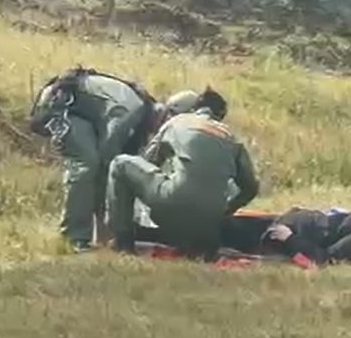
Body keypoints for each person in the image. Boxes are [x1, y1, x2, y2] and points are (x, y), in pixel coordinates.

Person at [29, 66, 200, 253]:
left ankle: (100, 238)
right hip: (59, 105)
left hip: (82, 112)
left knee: (99, 168)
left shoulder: (140, 118)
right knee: (87, 165)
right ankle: (74, 238)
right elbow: (109, 159)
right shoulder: (131, 112)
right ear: (169, 115)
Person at [106, 88, 260, 260]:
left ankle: (123, 244)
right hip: (210, 224)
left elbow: (147, 161)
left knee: (120, 164)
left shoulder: (178, 122)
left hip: (172, 205)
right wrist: (225, 210)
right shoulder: (231, 138)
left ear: (194, 108)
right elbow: (251, 189)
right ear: (220, 115)